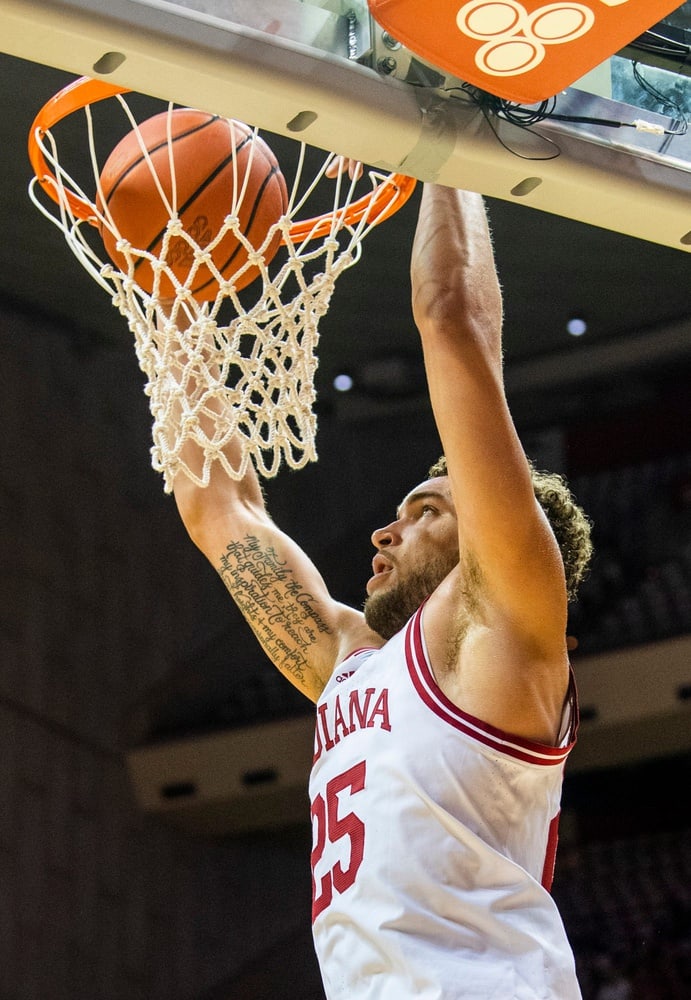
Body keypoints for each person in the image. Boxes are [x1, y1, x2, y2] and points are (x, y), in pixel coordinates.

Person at [171, 182, 593, 999]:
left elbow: (451, 321)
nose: (383, 532)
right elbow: (217, 507)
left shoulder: (504, 625)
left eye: (426, 510)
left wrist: (445, 152)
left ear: (491, 535)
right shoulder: (347, 666)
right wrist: (176, 296)